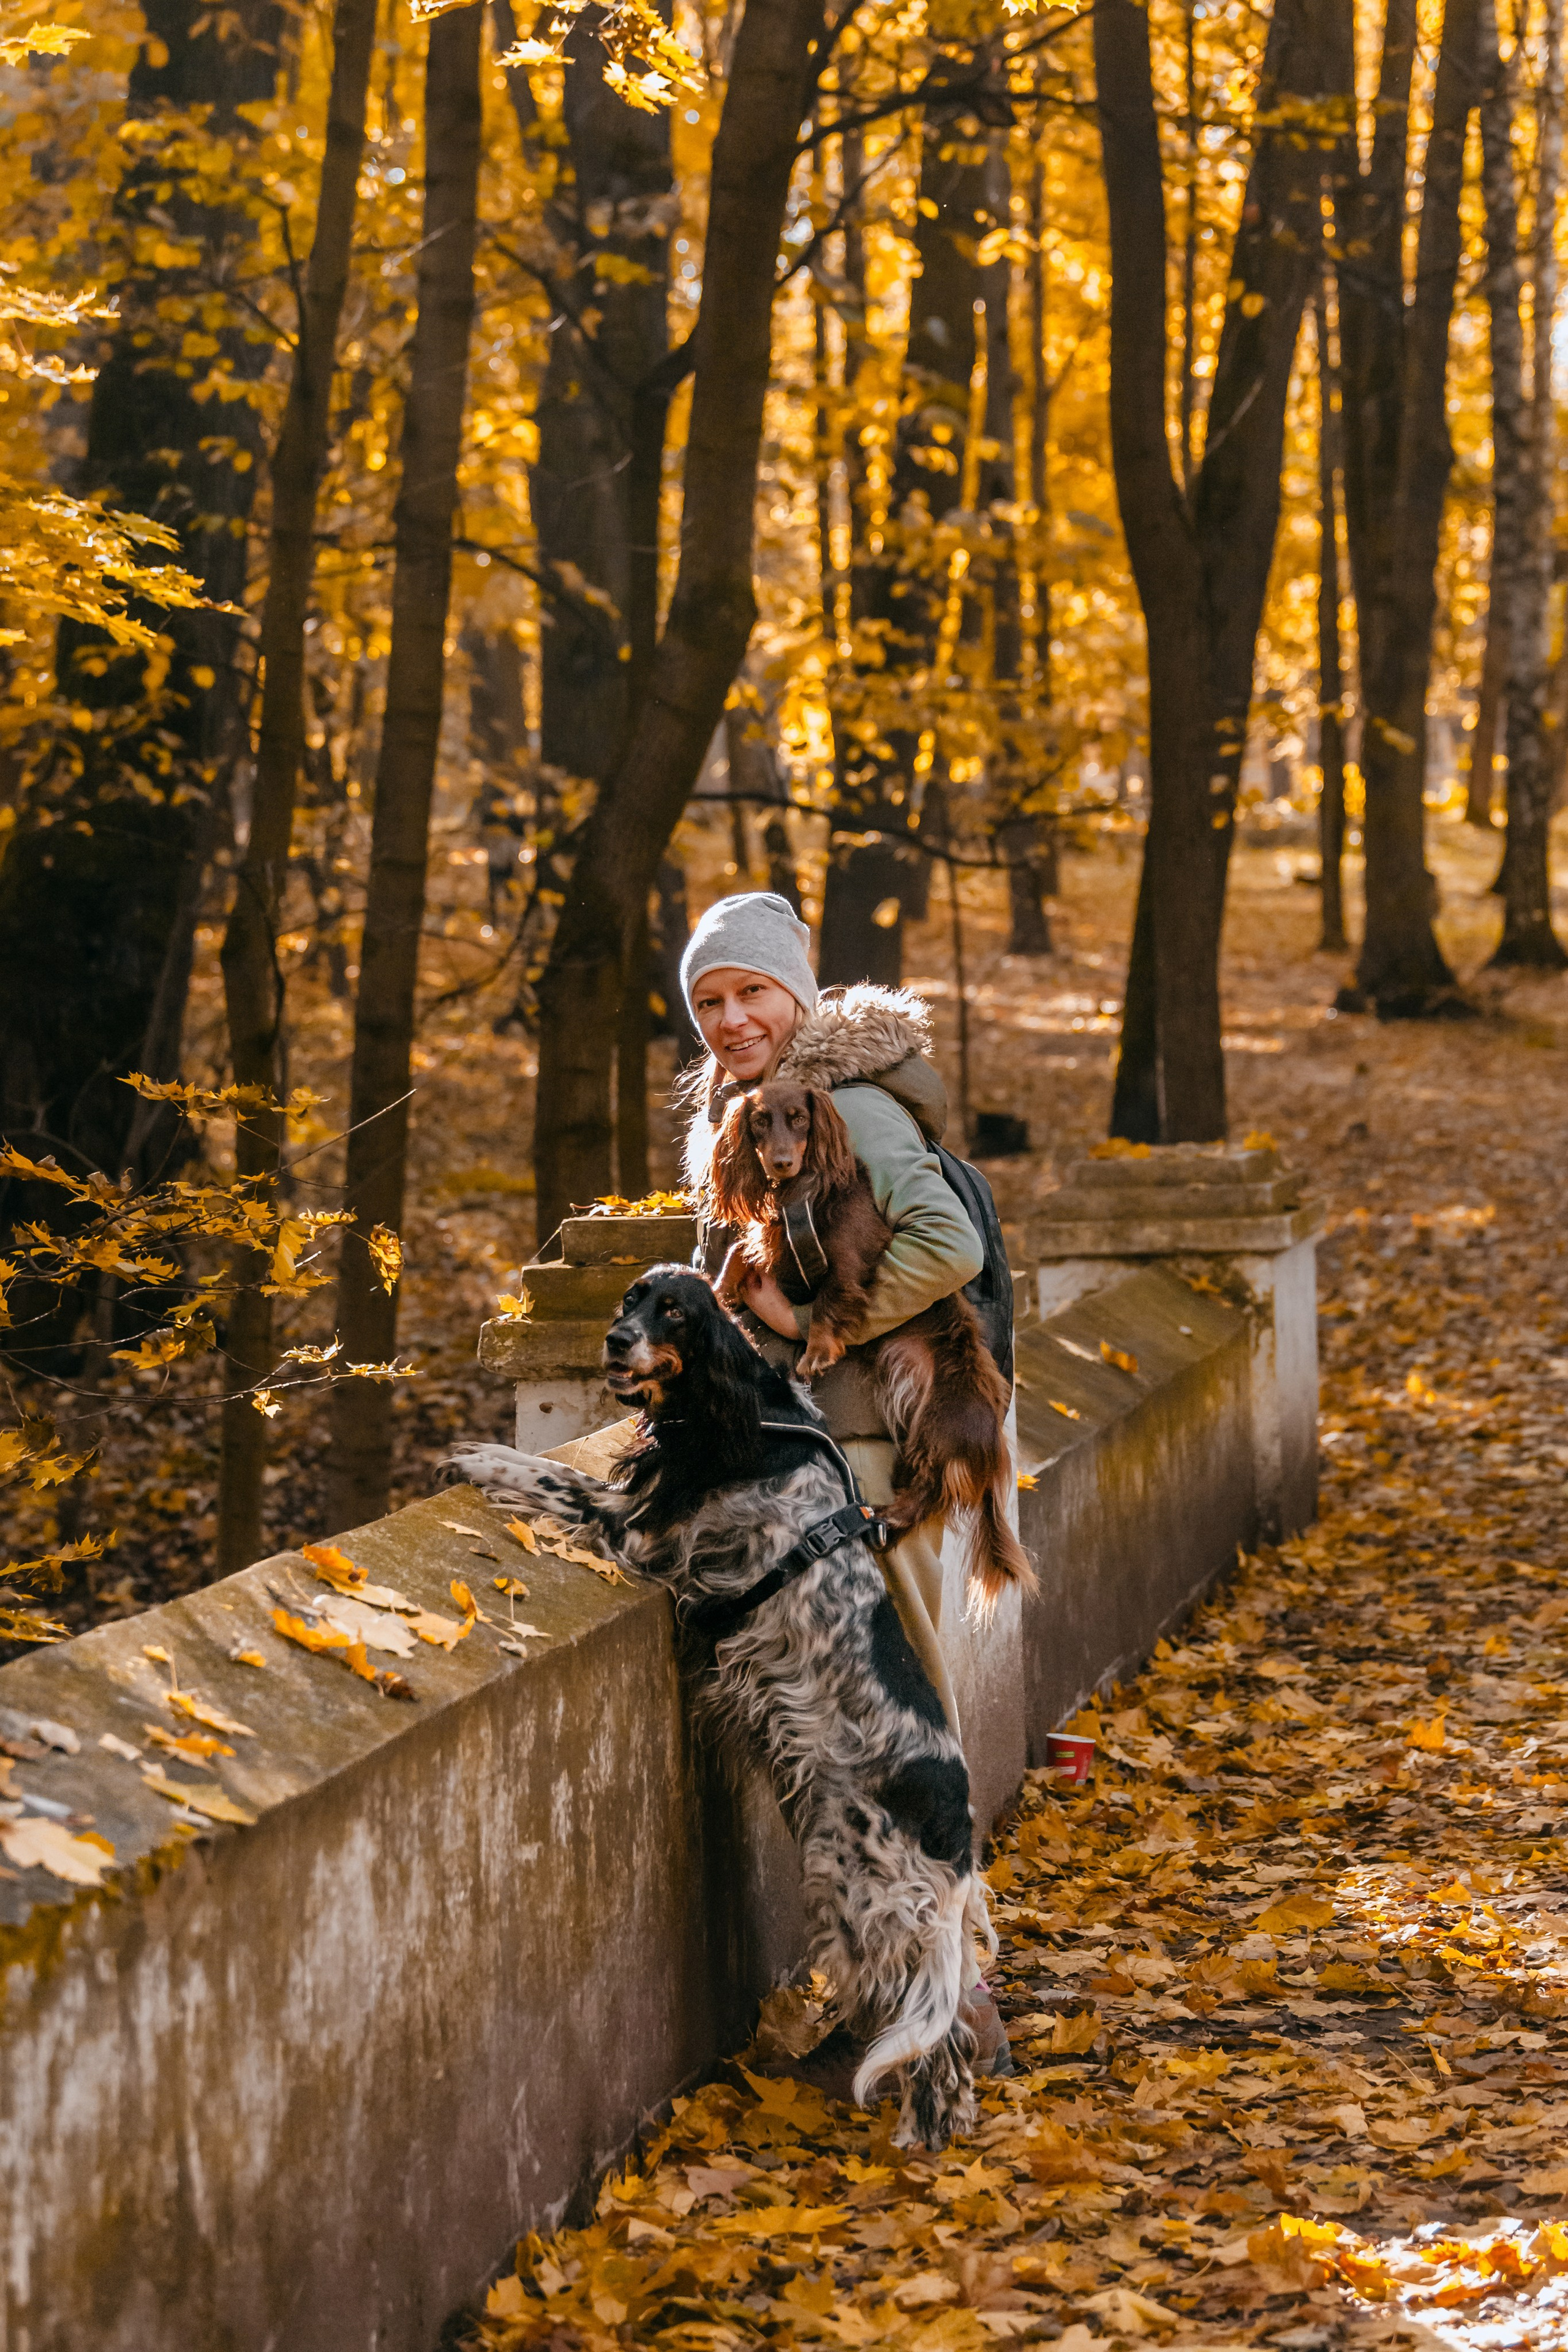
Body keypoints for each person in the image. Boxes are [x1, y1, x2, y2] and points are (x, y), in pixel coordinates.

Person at [678, 889, 1012, 2079]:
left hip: (869, 1468)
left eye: (750, 993)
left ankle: (948, 2013)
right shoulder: (757, 1116)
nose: (728, 1019)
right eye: (708, 1002)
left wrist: (818, 1320)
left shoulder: (849, 1106)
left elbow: (948, 1249)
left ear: (799, 997)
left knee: (895, 1733)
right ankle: (936, 1999)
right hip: (819, 1470)